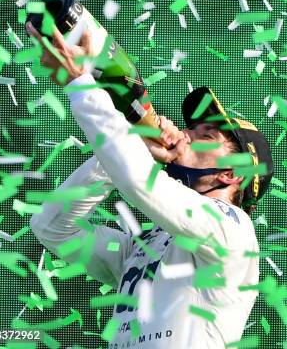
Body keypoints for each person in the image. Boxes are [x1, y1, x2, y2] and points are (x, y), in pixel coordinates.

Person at [27, 22, 274, 348]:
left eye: (206, 137)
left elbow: (139, 182)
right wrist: (114, 159)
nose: (187, 135)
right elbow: (52, 227)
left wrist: (82, 87)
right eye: (192, 128)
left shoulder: (232, 231)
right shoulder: (145, 245)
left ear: (230, 175)